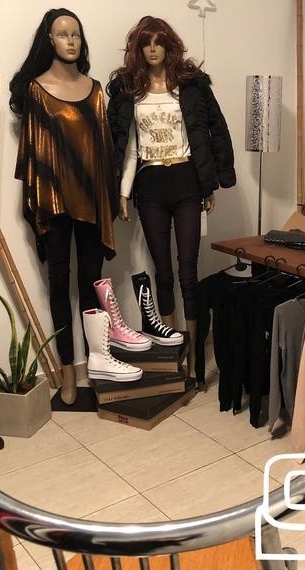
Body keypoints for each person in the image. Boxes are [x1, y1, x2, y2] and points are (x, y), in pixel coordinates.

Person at [107, 16, 235, 379]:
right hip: (150, 185)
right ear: (138, 48)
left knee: (188, 271)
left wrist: (210, 185)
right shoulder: (130, 91)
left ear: (168, 45)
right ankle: (173, 351)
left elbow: (212, 131)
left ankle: (194, 358)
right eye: (145, 43)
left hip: (186, 181)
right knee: (162, 272)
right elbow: (129, 147)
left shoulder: (190, 87)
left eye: (158, 42)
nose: (152, 49)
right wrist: (122, 192)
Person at [10, 8, 119, 405]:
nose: (71, 41)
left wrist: (112, 197)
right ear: (49, 40)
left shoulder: (96, 90)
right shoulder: (37, 91)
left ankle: (96, 369)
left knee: (91, 285)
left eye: (76, 34)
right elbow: (35, 152)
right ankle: (68, 374)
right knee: (59, 285)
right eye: (62, 34)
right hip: (54, 202)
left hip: (91, 202)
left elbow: (103, 150)